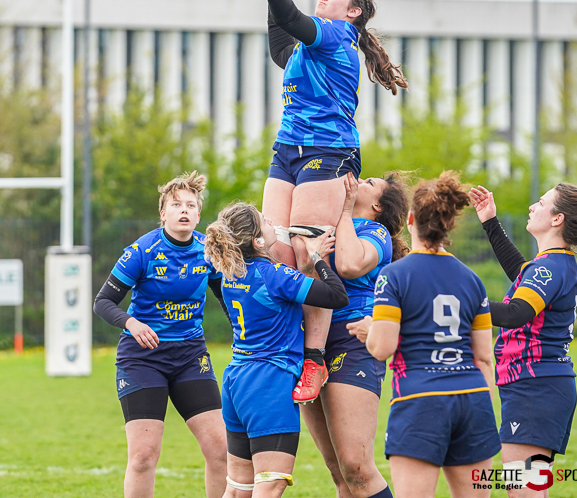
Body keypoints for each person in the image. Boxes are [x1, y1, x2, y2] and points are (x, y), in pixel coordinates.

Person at [252, 0, 408, 402]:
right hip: (288, 150)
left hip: (329, 151)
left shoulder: (339, 34)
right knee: (273, 248)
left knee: (307, 248)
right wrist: (272, 0)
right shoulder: (309, 44)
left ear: (353, 11)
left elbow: (297, 23)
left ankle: (314, 357)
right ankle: (285, 345)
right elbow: (283, 47)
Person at [469, 183, 577, 497]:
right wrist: (490, 221)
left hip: (536, 389)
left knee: (523, 491)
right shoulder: (551, 264)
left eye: (541, 203)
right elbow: (520, 272)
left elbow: (515, 313)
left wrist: (461, 303)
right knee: (529, 489)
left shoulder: (550, 267)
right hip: (536, 386)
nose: (532, 207)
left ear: (557, 219)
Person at [93, 172, 228, 498]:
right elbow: (103, 302)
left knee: (221, 449)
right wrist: (132, 323)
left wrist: (247, 331)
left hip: (190, 355)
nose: (184, 210)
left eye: (191, 205)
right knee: (142, 457)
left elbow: (229, 298)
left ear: (198, 215)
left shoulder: (208, 252)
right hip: (142, 358)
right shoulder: (142, 251)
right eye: (176, 204)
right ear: (163, 213)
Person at [366, 172, 500, 498]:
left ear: (410, 219)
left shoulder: (393, 275)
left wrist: (369, 329)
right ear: (450, 225)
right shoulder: (472, 280)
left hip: (419, 401)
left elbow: (382, 348)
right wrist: (482, 409)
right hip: (473, 400)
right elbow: (484, 357)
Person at [204, 202, 348, 497]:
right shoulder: (274, 276)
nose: (272, 223)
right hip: (268, 381)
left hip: (236, 380)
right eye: (265, 222)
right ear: (257, 241)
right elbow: (336, 296)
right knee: (271, 483)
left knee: (238, 488)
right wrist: (317, 257)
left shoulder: (230, 274)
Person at [300, 172, 409, 498]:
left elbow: (348, 266)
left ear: (377, 205)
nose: (360, 180)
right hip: (311, 345)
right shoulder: (333, 224)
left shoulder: (376, 232)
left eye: (370, 182)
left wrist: (346, 211)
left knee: (357, 467)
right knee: (339, 472)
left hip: (352, 340)